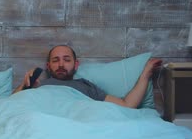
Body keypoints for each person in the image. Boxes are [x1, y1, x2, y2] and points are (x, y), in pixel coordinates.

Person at [13, 45, 162, 108]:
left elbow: (127, 105)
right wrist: (24, 86)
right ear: (48, 66)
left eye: (67, 60)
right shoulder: (41, 86)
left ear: (76, 64)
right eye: (55, 60)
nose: (61, 65)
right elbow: (7, 104)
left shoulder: (85, 85)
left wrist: (145, 74)